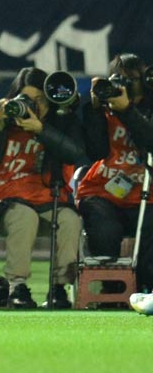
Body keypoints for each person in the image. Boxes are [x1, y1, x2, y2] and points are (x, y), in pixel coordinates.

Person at [0, 68, 85, 309]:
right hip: (4, 203)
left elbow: (73, 153)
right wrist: (1, 125)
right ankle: (17, 286)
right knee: (24, 215)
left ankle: (59, 288)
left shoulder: (60, 123)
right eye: (26, 99)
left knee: (70, 219)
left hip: (46, 200)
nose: (33, 105)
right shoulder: (0, 121)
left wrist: (41, 129)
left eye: (40, 99)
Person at [77, 54, 153, 292]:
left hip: (147, 192)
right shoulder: (103, 109)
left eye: (132, 79)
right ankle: (112, 290)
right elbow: (95, 152)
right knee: (104, 227)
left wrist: (127, 111)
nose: (124, 85)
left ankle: (146, 289)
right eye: (118, 79)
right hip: (103, 190)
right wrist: (95, 111)